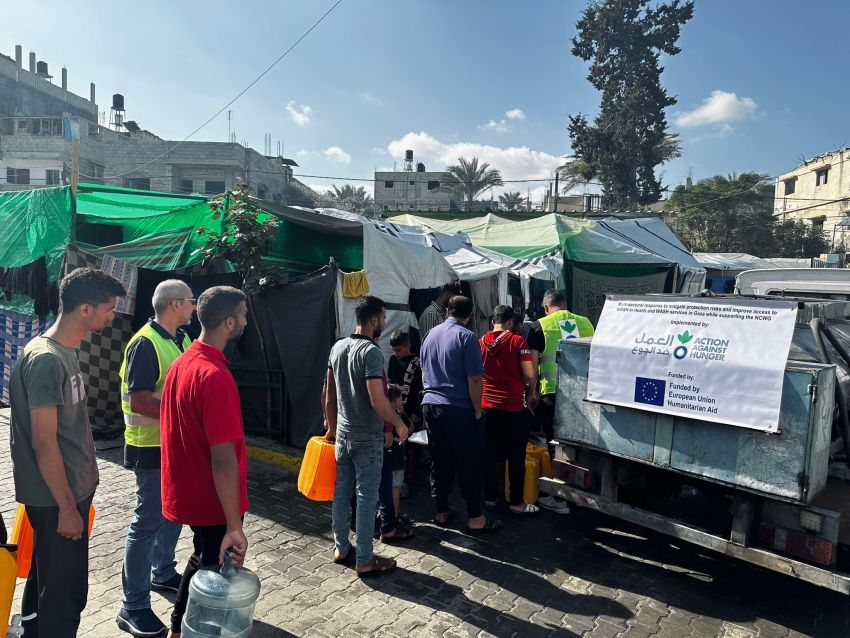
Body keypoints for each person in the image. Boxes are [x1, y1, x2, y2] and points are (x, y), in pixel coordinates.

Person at [9, 267, 125, 638]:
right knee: (66, 596)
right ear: (86, 309)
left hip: (69, 493)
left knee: (50, 583)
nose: (113, 315)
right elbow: (44, 442)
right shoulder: (46, 359)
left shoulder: (64, 352)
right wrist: (66, 508)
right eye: (109, 308)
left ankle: (31, 630)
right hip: (57, 498)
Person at [160, 286, 250, 637]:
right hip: (214, 500)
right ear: (228, 322)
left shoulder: (183, 362)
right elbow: (224, 460)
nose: (245, 322)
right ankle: (186, 630)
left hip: (194, 492)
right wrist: (233, 525)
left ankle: (178, 630)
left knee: (203, 560)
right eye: (242, 315)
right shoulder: (215, 377)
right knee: (212, 574)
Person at [116, 280, 196, 637]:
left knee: (175, 511)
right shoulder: (145, 344)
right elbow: (140, 400)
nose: (195, 307)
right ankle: (132, 605)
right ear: (176, 304)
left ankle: (162, 571)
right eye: (191, 302)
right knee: (146, 522)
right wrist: (186, 414)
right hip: (149, 447)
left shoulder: (182, 340)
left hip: (176, 445)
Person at [325, 295, 409, 577]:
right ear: (373, 319)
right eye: (383, 319)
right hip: (366, 438)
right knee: (366, 498)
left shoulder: (338, 347)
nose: (384, 324)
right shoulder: (371, 353)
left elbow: (329, 393)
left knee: (340, 493)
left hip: (344, 436)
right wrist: (398, 423)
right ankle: (364, 558)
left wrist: (331, 425)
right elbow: (377, 398)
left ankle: (340, 547)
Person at [420, 295, 502, 534]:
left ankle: (442, 511)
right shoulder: (467, 337)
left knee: (440, 460)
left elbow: (425, 371)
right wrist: (478, 410)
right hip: (458, 408)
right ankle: (476, 518)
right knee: (468, 462)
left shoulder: (430, 335)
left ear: (448, 311)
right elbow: (475, 379)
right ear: (470, 315)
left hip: (430, 405)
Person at [526, 289, 594, 513]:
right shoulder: (586, 323)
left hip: (552, 394)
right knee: (579, 444)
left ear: (546, 307)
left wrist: (532, 393)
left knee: (555, 443)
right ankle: (579, 489)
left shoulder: (539, 326)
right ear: (564, 305)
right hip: (583, 394)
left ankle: (559, 498)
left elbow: (533, 367)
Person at [480, 305, 539, 516]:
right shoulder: (518, 341)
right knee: (515, 456)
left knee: (489, 455)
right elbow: (529, 374)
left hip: (487, 407)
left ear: (492, 321)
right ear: (510, 323)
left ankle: (490, 498)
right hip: (514, 407)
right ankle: (516, 502)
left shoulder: (480, 343)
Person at [385, 384, 413, 532]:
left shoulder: (381, 415)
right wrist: (402, 411)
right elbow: (410, 428)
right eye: (400, 399)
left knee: (383, 488)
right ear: (396, 400)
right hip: (397, 461)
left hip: (384, 460)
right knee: (395, 488)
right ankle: (394, 515)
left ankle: (384, 514)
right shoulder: (398, 417)